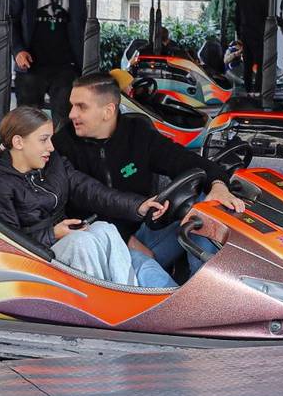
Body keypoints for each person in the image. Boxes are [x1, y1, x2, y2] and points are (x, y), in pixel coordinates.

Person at [59, 72, 244, 277]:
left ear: (108, 111)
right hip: (99, 243)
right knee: (146, 269)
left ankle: (207, 281)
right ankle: (190, 296)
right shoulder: (62, 144)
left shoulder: (138, 134)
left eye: (81, 107)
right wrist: (124, 239)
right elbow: (73, 204)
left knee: (204, 207)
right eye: (72, 106)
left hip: (145, 230)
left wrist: (218, 185)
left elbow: (187, 161)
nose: (72, 114)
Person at [0, 106, 177, 288]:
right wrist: (52, 234)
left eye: (51, 139)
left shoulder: (52, 164)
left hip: (60, 244)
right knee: (81, 243)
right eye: (43, 140)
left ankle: (128, 292)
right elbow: (7, 243)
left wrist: (138, 205)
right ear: (18, 142)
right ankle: (101, 301)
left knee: (105, 228)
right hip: (37, 259)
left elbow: (91, 190)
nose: (51, 147)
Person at [7, 0, 87, 110]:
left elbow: (81, 23)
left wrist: (81, 64)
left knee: (65, 119)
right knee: (28, 118)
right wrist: (18, 50)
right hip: (31, 63)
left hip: (65, 65)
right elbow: (12, 19)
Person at [234, 0, 268, 92]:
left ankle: (248, 90)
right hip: (258, 34)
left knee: (247, 64)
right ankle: (258, 90)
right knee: (260, 64)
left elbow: (237, 16)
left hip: (245, 33)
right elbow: (268, 15)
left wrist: (239, 34)